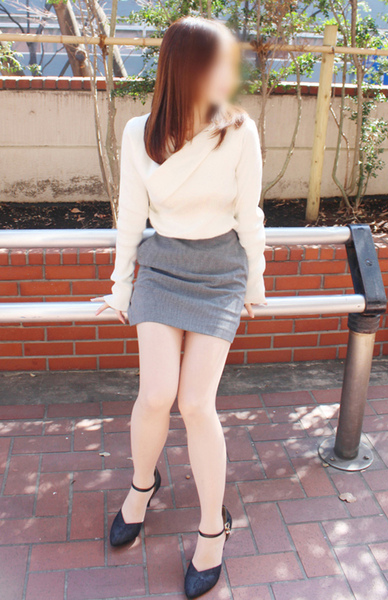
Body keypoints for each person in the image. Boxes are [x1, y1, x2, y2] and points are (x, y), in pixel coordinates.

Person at [94, 16, 266, 599]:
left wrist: (255, 282)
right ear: (188, 68)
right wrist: (121, 286)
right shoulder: (138, 133)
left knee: (195, 402)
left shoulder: (238, 130)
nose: (230, 74)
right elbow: (130, 216)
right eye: (220, 63)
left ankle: (213, 527)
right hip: (163, 266)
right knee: (155, 395)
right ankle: (142, 486)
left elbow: (249, 215)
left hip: (220, 271)